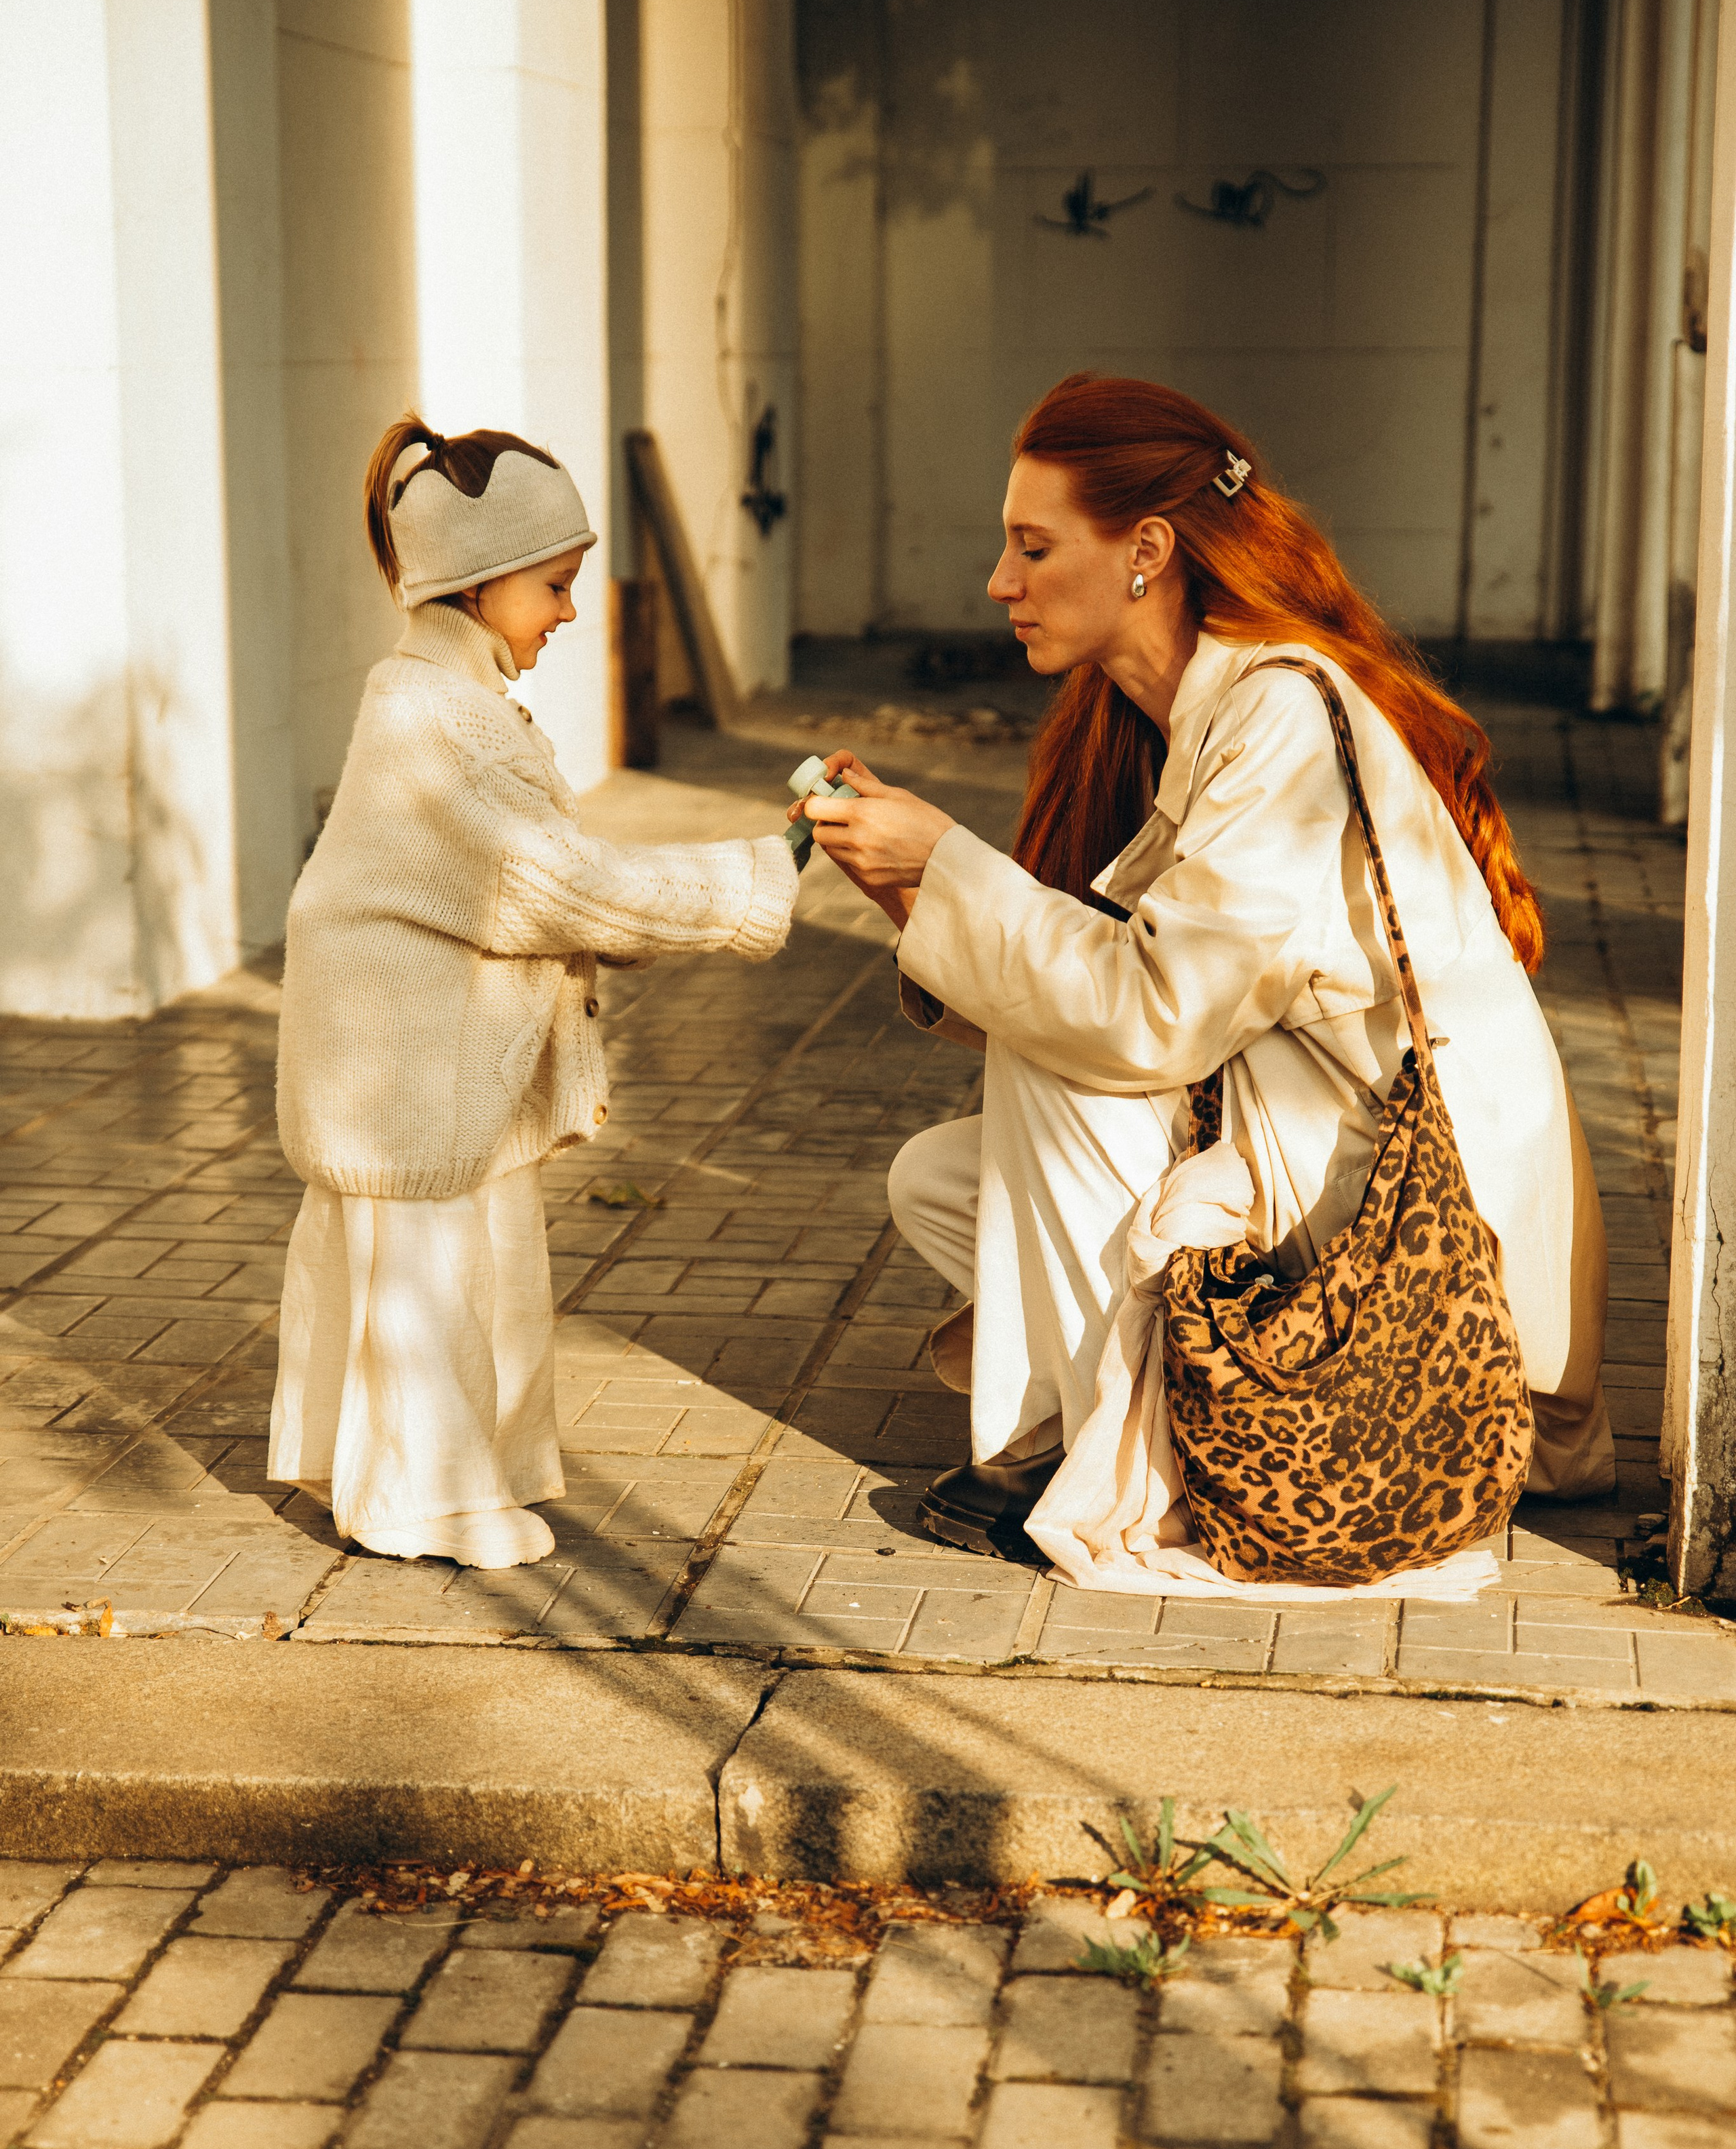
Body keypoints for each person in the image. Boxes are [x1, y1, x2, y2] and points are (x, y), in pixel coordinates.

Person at [797, 374, 1613, 1594]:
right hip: (1310, 1161)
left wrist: (950, 866)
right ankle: (1158, 1422)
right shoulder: (1180, 714)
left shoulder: (1278, 715)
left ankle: (1085, 1468)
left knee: (1061, 1060)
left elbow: (1140, 1019)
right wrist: (913, 892)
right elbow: (1111, 981)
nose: (998, 582)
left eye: (1032, 546)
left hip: (1425, 1269)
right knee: (938, 1179)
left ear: (1147, 552)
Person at [270, 414, 797, 1569]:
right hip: (407, 1069)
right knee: (430, 1282)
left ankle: (463, 1483)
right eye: (555, 584)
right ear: (477, 582)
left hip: (439, 1064)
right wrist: (760, 876)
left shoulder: (447, 698)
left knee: (479, 1271)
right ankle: (419, 1500)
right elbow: (551, 884)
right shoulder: (426, 714)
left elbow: (557, 888)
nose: (568, 611)